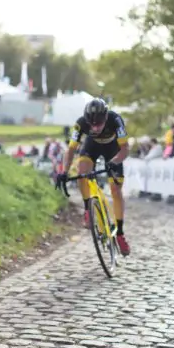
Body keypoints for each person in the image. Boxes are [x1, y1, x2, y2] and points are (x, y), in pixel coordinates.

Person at [56, 98, 131, 255]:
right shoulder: (81, 123)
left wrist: (115, 161)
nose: (95, 128)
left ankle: (120, 234)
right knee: (82, 170)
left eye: (99, 124)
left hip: (114, 149)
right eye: (92, 125)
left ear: (105, 118)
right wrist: (63, 172)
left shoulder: (115, 119)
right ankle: (88, 209)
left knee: (116, 190)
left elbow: (124, 149)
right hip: (92, 146)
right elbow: (70, 151)